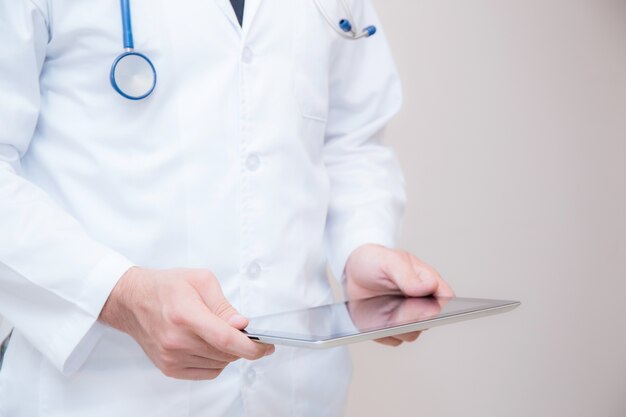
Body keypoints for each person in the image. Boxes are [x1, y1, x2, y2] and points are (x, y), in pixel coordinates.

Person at [0, 0, 454, 416]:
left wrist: (361, 244)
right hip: (101, 396)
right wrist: (120, 295)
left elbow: (352, 139)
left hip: (298, 393)